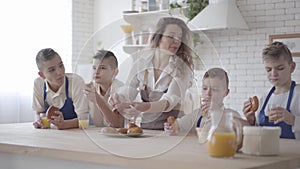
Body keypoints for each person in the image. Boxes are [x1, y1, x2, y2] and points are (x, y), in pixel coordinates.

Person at [110, 17, 194, 130]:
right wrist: (118, 97)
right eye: (171, 36)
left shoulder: (182, 69)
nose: (177, 41)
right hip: (146, 128)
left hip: (172, 130)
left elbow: (169, 102)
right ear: (158, 38)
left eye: (179, 38)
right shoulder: (141, 63)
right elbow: (129, 89)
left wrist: (143, 107)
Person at [243, 41, 300, 139]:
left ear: (292, 67)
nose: (273, 74)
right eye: (268, 69)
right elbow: (259, 132)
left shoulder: (298, 94)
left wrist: (294, 120)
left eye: (280, 68)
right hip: (267, 152)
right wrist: (251, 121)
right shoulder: (264, 98)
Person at [164, 68, 247, 134]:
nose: (208, 93)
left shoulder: (231, 115)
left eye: (215, 89)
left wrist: (217, 111)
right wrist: (171, 127)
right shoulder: (198, 115)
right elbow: (178, 126)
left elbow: (242, 130)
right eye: (204, 88)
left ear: (226, 93)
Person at [32, 48, 88, 130]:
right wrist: (39, 121)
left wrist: (65, 124)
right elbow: (39, 112)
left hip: (77, 134)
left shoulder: (76, 82)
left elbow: (85, 120)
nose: (60, 72)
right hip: (53, 135)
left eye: (61, 65)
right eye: (52, 70)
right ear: (42, 75)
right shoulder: (38, 84)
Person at [83, 50, 124, 127]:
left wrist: (97, 100)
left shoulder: (120, 90)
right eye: (94, 68)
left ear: (115, 72)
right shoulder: (91, 88)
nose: (96, 72)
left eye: (102, 68)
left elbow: (117, 124)